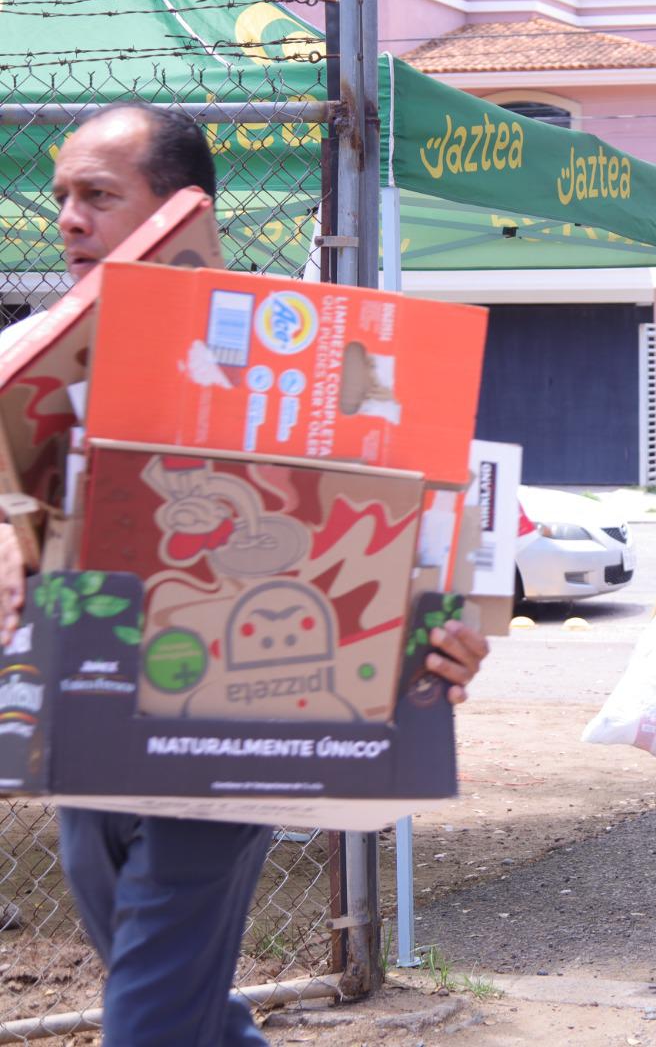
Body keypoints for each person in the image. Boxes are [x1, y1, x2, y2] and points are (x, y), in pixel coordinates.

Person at [0, 102, 490, 1045]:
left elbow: (419, 508)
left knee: (150, 996)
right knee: (158, 967)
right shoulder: (42, 353)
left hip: (253, 718)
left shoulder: (302, 348)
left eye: (98, 196)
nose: (66, 218)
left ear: (179, 214)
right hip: (90, 705)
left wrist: (450, 629)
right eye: (61, 196)